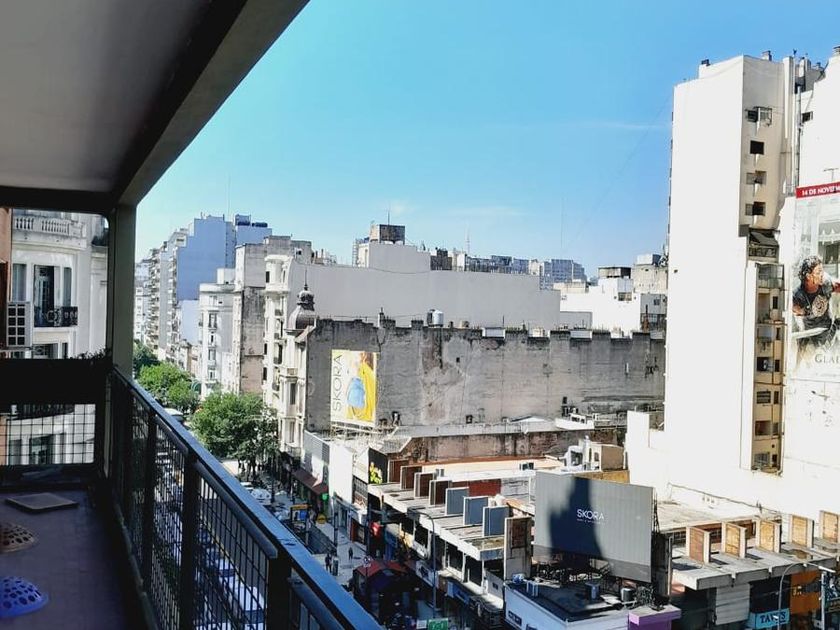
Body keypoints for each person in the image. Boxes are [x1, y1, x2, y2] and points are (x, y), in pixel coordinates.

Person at [792, 255, 840, 347]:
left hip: (829, 331)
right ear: (808, 276)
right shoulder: (798, 296)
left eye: (822, 271)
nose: (822, 275)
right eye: (818, 272)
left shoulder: (825, 283)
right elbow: (796, 317)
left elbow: (838, 286)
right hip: (811, 337)